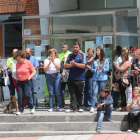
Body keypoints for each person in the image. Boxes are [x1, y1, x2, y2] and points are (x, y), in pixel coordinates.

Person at [65, 42, 86, 113]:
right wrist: (70, 65)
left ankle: (80, 107)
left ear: (79, 48)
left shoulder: (82, 55)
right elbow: (65, 65)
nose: (75, 49)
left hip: (80, 78)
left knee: (80, 93)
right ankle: (73, 107)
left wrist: (74, 64)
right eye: (74, 47)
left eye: (76, 47)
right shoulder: (70, 55)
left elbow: (83, 65)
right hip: (71, 77)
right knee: (72, 93)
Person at [16, 51, 36, 115]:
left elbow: (34, 72)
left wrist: (29, 78)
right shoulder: (17, 64)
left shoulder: (29, 63)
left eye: (19, 58)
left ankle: (32, 107)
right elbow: (17, 72)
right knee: (20, 96)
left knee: (27, 95)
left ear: (23, 58)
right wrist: (17, 79)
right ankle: (20, 110)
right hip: (19, 81)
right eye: (17, 59)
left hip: (26, 81)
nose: (18, 60)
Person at [59, 43, 71, 108]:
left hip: (69, 73)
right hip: (62, 73)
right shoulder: (60, 55)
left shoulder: (70, 54)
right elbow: (59, 64)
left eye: (64, 47)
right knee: (62, 90)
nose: (62, 48)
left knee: (70, 89)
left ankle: (71, 103)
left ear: (67, 47)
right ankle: (62, 104)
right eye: (62, 47)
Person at [84, 48, 94, 113]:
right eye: (89, 52)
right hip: (84, 77)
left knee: (90, 91)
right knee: (85, 91)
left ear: (93, 53)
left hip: (91, 77)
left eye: (91, 52)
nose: (90, 53)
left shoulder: (94, 59)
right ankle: (85, 104)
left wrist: (87, 66)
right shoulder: (84, 58)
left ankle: (90, 105)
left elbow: (93, 69)